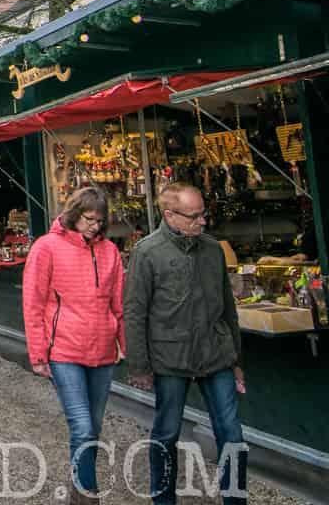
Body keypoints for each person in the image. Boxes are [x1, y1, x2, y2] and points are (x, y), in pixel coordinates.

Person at [124, 182, 246, 505]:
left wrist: (236, 361)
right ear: (169, 215)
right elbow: (134, 313)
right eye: (194, 216)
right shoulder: (147, 252)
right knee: (166, 434)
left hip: (216, 353)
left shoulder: (212, 249)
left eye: (203, 214)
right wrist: (139, 366)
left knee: (232, 434)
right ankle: (163, 500)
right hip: (170, 357)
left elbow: (227, 308)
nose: (202, 221)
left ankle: (236, 501)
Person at [23, 185, 124, 503]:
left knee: (93, 427)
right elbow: (33, 302)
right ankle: (86, 494)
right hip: (64, 349)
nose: (95, 225)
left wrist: (124, 343)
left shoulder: (110, 251)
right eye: (89, 219)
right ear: (74, 215)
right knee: (81, 425)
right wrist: (38, 353)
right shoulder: (46, 247)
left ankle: (81, 481)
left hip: (103, 349)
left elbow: (119, 303)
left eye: (99, 220)